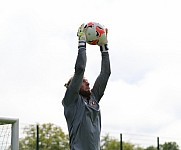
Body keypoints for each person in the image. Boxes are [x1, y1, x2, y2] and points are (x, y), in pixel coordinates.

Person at [62, 23, 111, 150]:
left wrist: (104, 47)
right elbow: (80, 69)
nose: (88, 83)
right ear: (74, 86)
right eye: (83, 81)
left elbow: (106, 73)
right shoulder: (71, 101)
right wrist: (82, 43)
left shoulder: (94, 98)